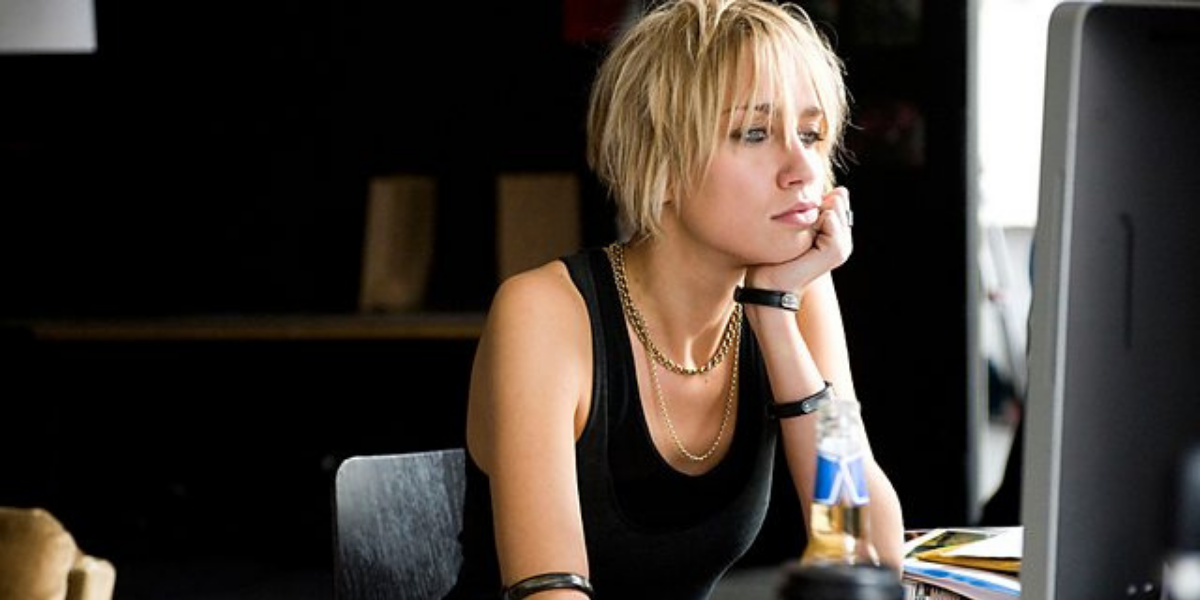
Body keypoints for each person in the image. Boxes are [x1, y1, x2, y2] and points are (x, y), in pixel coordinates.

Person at [445, 0, 905, 597]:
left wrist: (775, 318)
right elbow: (549, 593)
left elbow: (866, 548)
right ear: (659, 161)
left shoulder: (796, 294)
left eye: (813, 135)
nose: (802, 169)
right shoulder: (545, 314)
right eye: (756, 133)